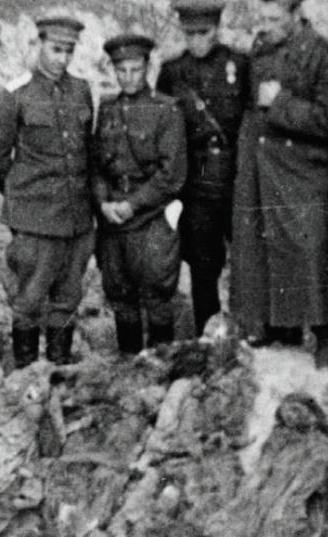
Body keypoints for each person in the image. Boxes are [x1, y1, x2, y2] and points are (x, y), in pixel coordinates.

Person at [229, 0, 328, 366]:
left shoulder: (326, 57)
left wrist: (279, 102)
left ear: (296, 16)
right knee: (262, 248)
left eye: (274, 19)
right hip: (261, 163)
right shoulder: (262, 47)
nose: (264, 26)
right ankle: (280, 327)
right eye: (261, 18)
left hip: (303, 167)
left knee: (310, 248)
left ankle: (326, 333)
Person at [0, 17, 95, 367]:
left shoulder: (81, 90)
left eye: (68, 51)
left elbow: (85, 151)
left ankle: (60, 372)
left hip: (76, 218)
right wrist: (23, 196)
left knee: (68, 298)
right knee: (29, 301)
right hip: (35, 220)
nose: (62, 59)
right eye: (55, 49)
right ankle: (28, 375)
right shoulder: (15, 94)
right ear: (39, 45)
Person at [156, 0, 250, 335]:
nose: (197, 40)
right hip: (195, 184)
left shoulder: (239, 64)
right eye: (189, 33)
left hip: (237, 178)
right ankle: (205, 335)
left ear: (217, 29)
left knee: (247, 259)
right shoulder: (172, 72)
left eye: (204, 32)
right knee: (202, 265)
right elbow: (164, 131)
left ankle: (252, 333)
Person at [93, 34, 187, 353]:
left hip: (150, 218)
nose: (129, 77)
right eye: (122, 71)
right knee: (120, 298)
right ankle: (128, 371)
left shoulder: (166, 110)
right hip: (112, 221)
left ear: (147, 67)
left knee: (158, 295)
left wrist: (132, 205)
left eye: (135, 70)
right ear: (113, 71)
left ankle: (162, 370)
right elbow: (96, 167)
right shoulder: (106, 109)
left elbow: (172, 175)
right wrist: (103, 202)